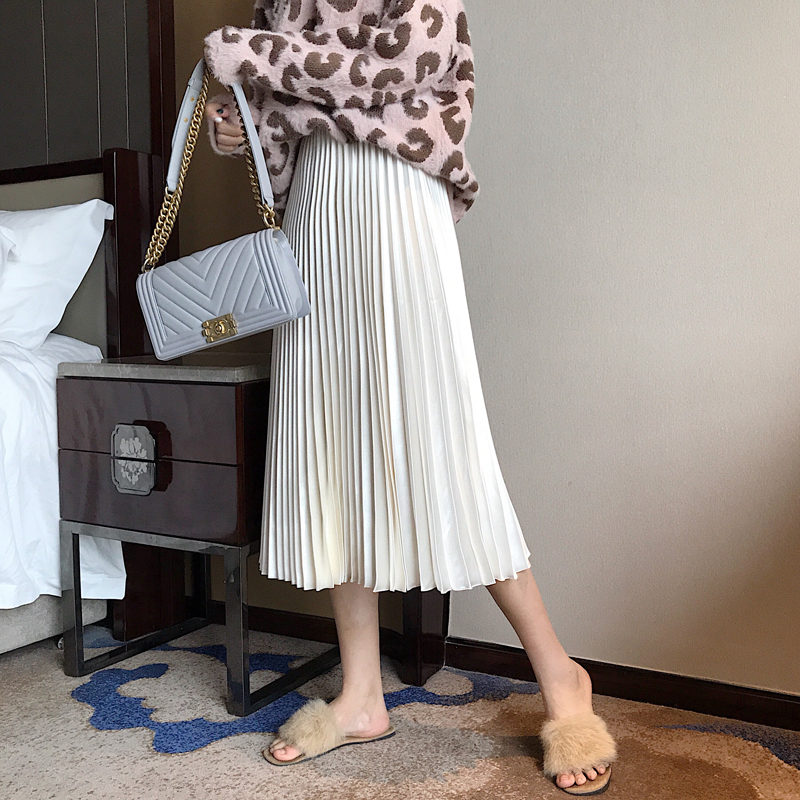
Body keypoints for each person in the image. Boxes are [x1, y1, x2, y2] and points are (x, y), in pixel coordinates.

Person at [203, 1, 616, 794]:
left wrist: (247, 58)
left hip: (397, 202)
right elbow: (285, 121)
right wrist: (245, 125)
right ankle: (362, 693)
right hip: (315, 213)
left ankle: (562, 676)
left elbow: (389, 74)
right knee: (331, 439)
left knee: (443, 441)